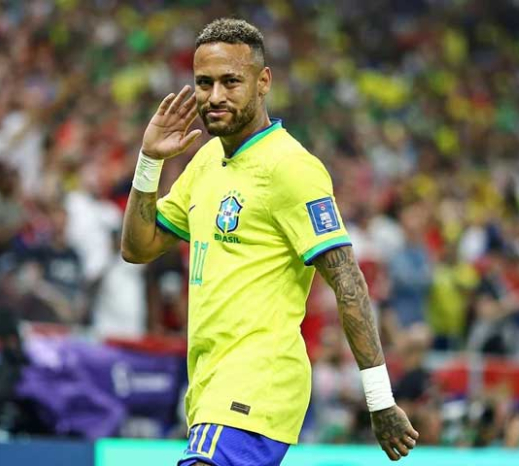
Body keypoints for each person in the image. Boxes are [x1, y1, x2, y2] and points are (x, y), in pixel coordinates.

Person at [121, 18, 418, 465]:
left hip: (256, 383)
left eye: (230, 82)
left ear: (263, 82)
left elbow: (348, 281)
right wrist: (149, 161)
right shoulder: (206, 161)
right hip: (208, 385)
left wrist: (379, 399)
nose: (214, 96)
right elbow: (138, 247)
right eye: (204, 83)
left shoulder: (290, 167)